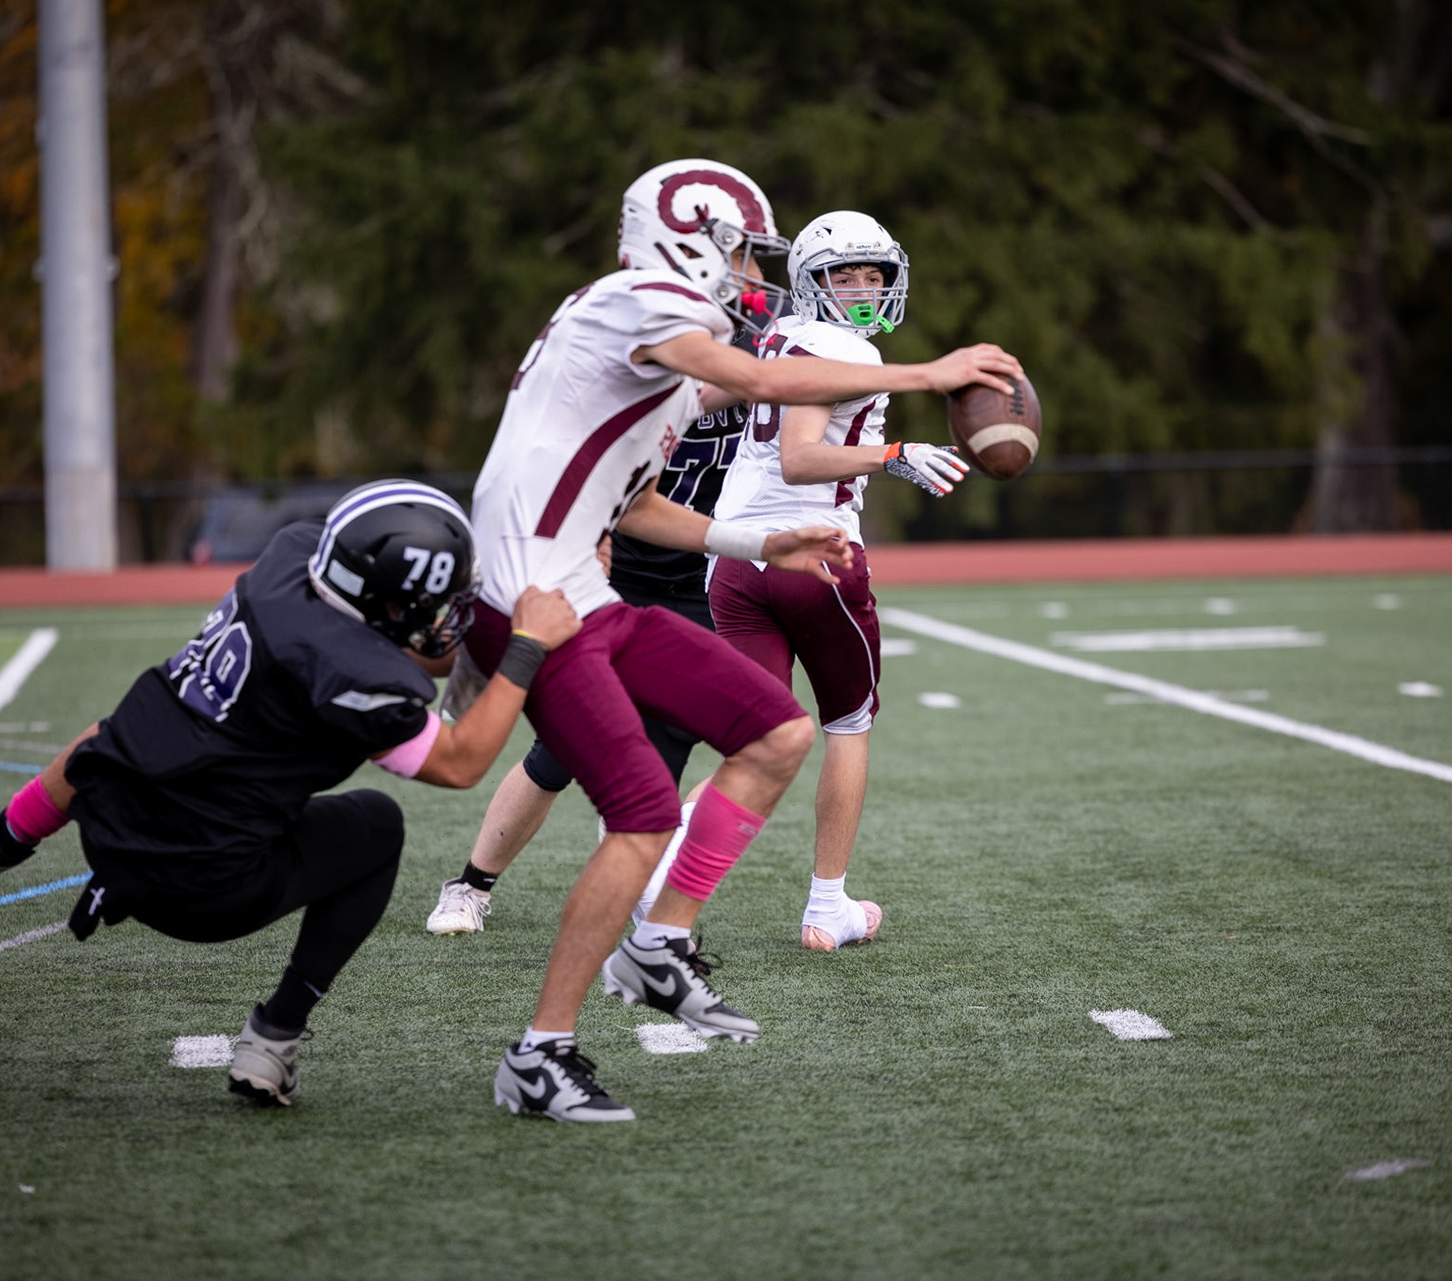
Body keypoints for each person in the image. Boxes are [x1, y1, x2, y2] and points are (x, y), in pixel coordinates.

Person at [467, 158, 1022, 1122]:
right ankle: (542, 1043)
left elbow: (639, 506)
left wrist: (758, 538)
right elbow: (768, 378)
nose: (746, 281)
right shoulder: (636, 301)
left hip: (580, 590)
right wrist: (929, 377)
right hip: (531, 593)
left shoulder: (659, 368)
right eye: (734, 257)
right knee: (637, 800)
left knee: (775, 730)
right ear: (685, 244)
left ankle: (658, 942)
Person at [0, 480, 580, 1105]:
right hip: (203, 887)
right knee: (378, 827)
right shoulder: (356, 675)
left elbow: (397, 642)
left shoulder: (292, 558)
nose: (446, 618)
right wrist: (523, 650)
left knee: (117, 732)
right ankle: (275, 1036)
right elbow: (462, 762)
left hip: (111, 824)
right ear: (387, 606)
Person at [424, 331, 759, 938]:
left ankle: (640, 874)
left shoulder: (771, 377)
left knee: (681, 746)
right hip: (609, 575)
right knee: (558, 750)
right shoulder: (635, 372)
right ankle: (470, 884)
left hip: (705, 584)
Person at [708, 209, 968, 949]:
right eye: (842, 276)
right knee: (847, 724)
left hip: (734, 560)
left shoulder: (782, 335)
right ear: (811, 283)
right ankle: (828, 907)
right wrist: (894, 454)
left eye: (872, 274)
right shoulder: (832, 350)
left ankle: (652, 881)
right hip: (814, 557)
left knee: (752, 746)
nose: (862, 289)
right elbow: (798, 456)